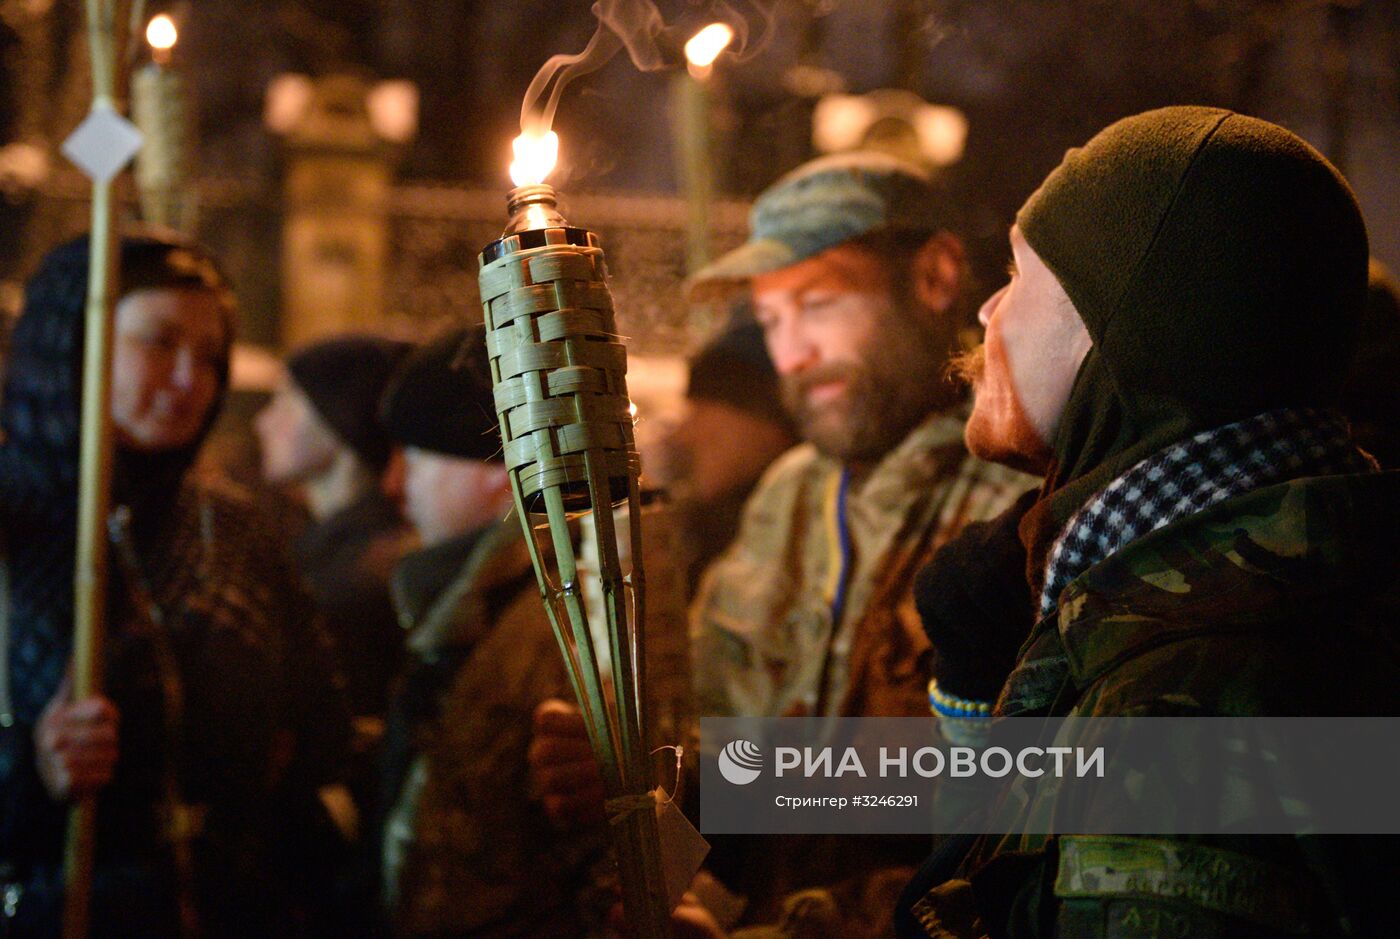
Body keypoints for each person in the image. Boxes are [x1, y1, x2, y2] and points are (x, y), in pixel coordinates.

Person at [896, 106, 1400, 937]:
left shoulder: (1183, 719)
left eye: (1020, 274)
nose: (989, 311)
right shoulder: (1285, 581)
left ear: (1121, 326)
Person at [532, 150, 1036, 935]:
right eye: (770, 320)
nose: (793, 354)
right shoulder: (789, 497)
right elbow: (729, 738)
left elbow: (1048, 793)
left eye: (820, 302)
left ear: (935, 277)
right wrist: (652, 781)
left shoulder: (1021, 500)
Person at [0, 231, 352, 938]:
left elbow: (323, 732)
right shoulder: (11, 527)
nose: (191, 379)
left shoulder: (235, 530)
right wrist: (29, 771)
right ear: (74, 344)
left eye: (210, 355)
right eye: (159, 343)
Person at [377, 327, 603, 937]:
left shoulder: (565, 619)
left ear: (502, 470)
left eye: (417, 455)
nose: (392, 483)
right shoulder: (464, 606)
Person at [255, 334, 415, 723]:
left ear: (337, 419)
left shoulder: (353, 581)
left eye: (286, 399)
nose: (263, 420)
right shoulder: (328, 549)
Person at [654, 320, 798, 593]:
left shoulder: (802, 547)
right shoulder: (708, 533)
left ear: (768, 422)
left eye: (705, 413)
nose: (684, 435)